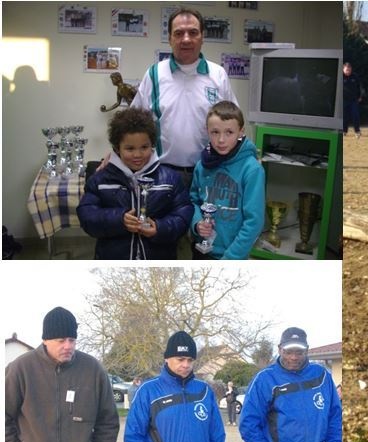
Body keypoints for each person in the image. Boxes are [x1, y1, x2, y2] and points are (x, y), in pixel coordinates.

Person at [5, 307, 120, 442]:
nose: (68, 346)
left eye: (72, 340)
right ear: (45, 340)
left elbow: (109, 421)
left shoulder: (93, 370)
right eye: (61, 340)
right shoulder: (21, 369)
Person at [130, 7, 238, 189]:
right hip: (163, 174)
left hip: (209, 172)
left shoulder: (218, 75)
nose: (186, 39)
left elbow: (234, 124)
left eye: (193, 32)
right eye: (179, 33)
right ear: (170, 39)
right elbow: (132, 124)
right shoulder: (154, 74)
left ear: (202, 37)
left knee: (203, 219)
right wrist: (116, 155)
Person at [239, 327, 342, 442]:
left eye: (299, 352)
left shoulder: (322, 377)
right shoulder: (265, 379)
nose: (294, 357)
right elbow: (248, 424)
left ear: (307, 350)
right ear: (279, 349)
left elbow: (336, 418)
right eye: (289, 352)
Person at [78, 108, 194, 260]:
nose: (138, 155)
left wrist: (160, 228)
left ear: (152, 145)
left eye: (144, 147)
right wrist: (118, 220)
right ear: (117, 148)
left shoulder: (170, 179)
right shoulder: (100, 180)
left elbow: (183, 214)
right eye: (130, 148)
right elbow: (87, 216)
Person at [190, 101, 265, 259]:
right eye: (215, 132)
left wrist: (230, 259)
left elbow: (254, 222)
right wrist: (197, 224)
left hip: (232, 257)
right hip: (201, 251)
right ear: (207, 131)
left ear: (241, 132)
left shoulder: (252, 170)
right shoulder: (201, 166)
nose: (221, 140)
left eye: (229, 132)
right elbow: (193, 201)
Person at [342, 62, 362, 138]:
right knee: (344, 116)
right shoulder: (341, 77)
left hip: (354, 100)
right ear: (343, 69)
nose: (348, 72)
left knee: (355, 115)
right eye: (347, 70)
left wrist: (359, 96)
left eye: (349, 70)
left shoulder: (355, 77)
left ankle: (357, 131)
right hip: (343, 100)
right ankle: (344, 131)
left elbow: (359, 87)